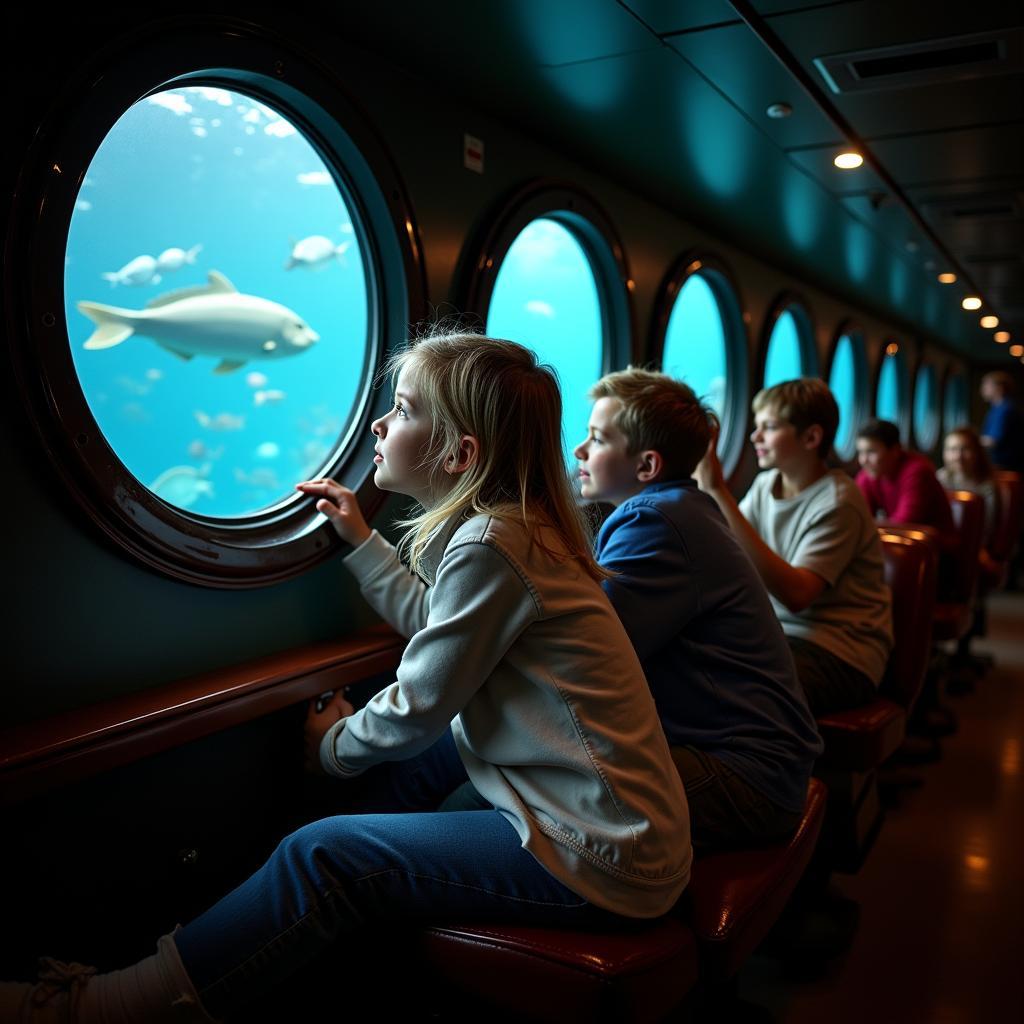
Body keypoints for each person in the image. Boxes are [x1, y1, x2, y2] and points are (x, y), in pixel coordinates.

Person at [2, 334, 692, 1023]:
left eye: (402, 408)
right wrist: (364, 544)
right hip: (617, 830)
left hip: (605, 855)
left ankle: (109, 1008)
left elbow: (419, 705)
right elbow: (439, 625)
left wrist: (331, 748)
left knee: (325, 851)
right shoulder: (518, 533)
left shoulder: (492, 543)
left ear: (459, 454)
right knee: (408, 799)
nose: (378, 424)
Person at [573, 368, 822, 851]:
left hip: (745, 778)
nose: (580, 450)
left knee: (501, 783)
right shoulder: (678, 506)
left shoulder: (655, 519)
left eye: (598, 439)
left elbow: (587, 652)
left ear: (646, 466)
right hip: (752, 762)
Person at [695, 378, 892, 717]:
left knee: (740, 698)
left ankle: (789, 771)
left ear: (811, 437)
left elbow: (797, 594)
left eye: (769, 427)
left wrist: (717, 491)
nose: (755, 437)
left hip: (839, 650)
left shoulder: (839, 501)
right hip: (777, 634)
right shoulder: (765, 485)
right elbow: (727, 549)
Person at [854, 418, 957, 548]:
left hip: (937, 550)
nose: (863, 460)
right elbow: (858, 519)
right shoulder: (869, 473)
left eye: (871, 452)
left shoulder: (917, 471)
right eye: (860, 452)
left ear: (895, 450)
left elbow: (904, 523)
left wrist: (869, 524)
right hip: (906, 547)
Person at [938, 425, 999, 543]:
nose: (958, 456)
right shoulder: (939, 479)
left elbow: (988, 529)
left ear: (976, 452)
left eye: (965, 449)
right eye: (952, 449)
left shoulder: (987, 486)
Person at [980, 371, 1024, 473]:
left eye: (986, 385)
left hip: (1005, 465)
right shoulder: (996, 408)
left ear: (999, 388)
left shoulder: (1005, 409)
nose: (982, 389)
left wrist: (972, 442)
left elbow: (993, 440)